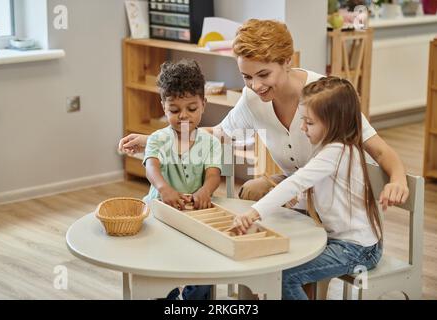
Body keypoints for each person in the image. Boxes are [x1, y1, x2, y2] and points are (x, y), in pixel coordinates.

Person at [119, 18, 409, 213]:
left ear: (287, 61)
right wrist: (154, 140)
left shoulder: (325, 95)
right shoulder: (253, 99)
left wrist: (397, 180)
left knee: (285, 230)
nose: (255, 86)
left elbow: (380, 151)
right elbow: (220, 134)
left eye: (263, 74)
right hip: (296, 183)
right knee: (251, 191)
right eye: (246, 76)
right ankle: (259, 284)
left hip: (338, 192)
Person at [232, 76, 383, 300]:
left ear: (334, 123)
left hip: (357, 248)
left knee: (286, 276)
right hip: (341, 239)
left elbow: (296, 181)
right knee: (281, 260)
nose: (302, 128)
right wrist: (298, 196)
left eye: (309, 123)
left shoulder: (336, 151)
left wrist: (254, 212)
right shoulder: (329, 148)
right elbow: (321, 189)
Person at [143, 59, 222, 299]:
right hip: (160, 213)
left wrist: (205, 191)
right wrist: (163, 188)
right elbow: (151, 166)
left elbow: (213, 174)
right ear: (164, 107)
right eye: (175, 110)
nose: (184, 116)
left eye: (192, 108)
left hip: (197, 214)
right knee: (158, 268)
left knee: (206, 266)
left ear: (203, 104)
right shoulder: (157, 138)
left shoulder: (210, 142)